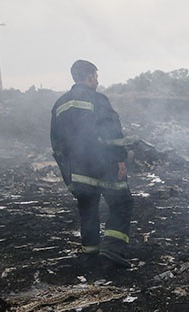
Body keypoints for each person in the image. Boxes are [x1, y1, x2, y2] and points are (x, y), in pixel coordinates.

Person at [50, 60, 134, 268]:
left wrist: (67, 175)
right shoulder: (98, 99)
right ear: (89, 76)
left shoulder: (59, 104)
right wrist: (120, 159)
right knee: (122, 204)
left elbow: (57, 144)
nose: (97, 80)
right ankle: (112, 250)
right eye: (96, 76)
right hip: (103, 165)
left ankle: (90, 253)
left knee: (88, 209)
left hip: (77, 169)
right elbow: (112, 133)